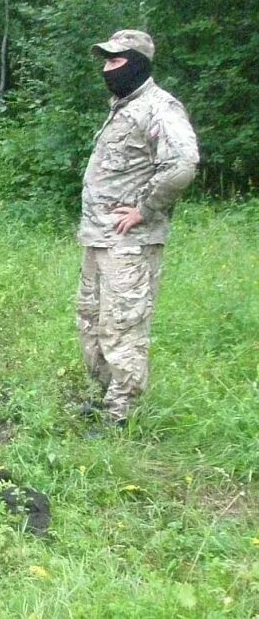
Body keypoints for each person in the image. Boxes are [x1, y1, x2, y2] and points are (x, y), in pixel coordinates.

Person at [77, 30, 199, 426]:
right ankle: (102, 397)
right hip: (99, 239)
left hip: (130, 243)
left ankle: (121, 416)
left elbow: (182, 164)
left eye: (116, 61)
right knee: (92, 320)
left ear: (139, 63)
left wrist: (144, 209)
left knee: (122, 326)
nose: (107, 69)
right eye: (106, 61)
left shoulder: (159, 108)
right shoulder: (123, 106)